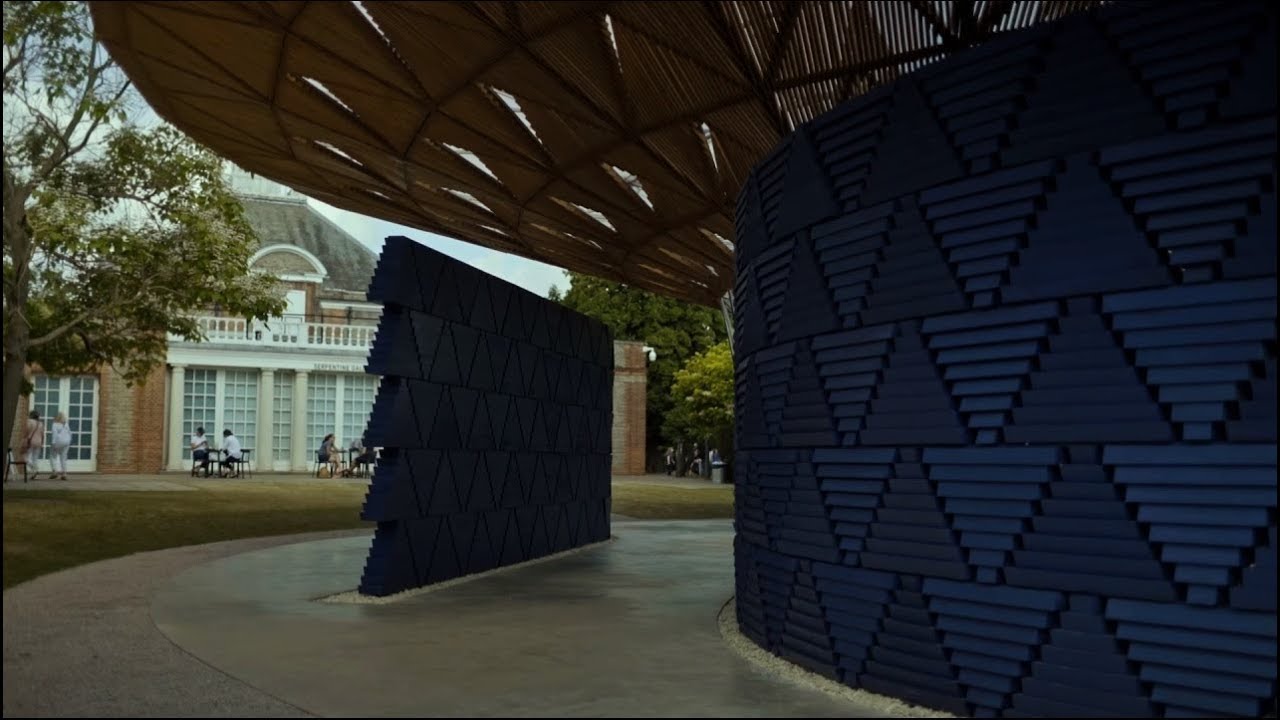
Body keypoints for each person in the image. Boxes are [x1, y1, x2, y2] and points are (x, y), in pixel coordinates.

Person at [20, 410, 45, 481]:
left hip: (30, 441)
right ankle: (35, 473)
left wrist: (24, 440)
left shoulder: (29, 421)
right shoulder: (41, 423)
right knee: (35, 458)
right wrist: (42, 443)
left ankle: (34, 469)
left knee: (25, 457)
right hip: (38, 442)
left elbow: (26, 431)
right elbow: (43, 435)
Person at [49, 412, 72, 481]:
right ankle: (64, 473)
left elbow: (54, 434)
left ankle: (54, 471)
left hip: (58, 442)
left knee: (52, 456)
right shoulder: (66, 424)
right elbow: (70, 433)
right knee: (63, 458)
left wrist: (53, 443)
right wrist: (69, 441)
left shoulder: (54, 425)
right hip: (66, 442)